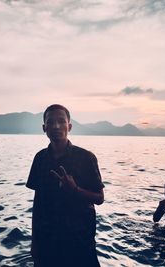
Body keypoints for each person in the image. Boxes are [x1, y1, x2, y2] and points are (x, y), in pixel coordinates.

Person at [26, 104, 105, 267]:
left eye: (61, 121)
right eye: (50, 122)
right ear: (44, 128)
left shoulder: (86, 157)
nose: (56, 126)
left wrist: (75, 190)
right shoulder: (40, 158)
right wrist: (34, 241)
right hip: (47, 240)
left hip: (79, 240)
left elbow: (99, 198)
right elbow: (37, 203)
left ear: (69, 126)